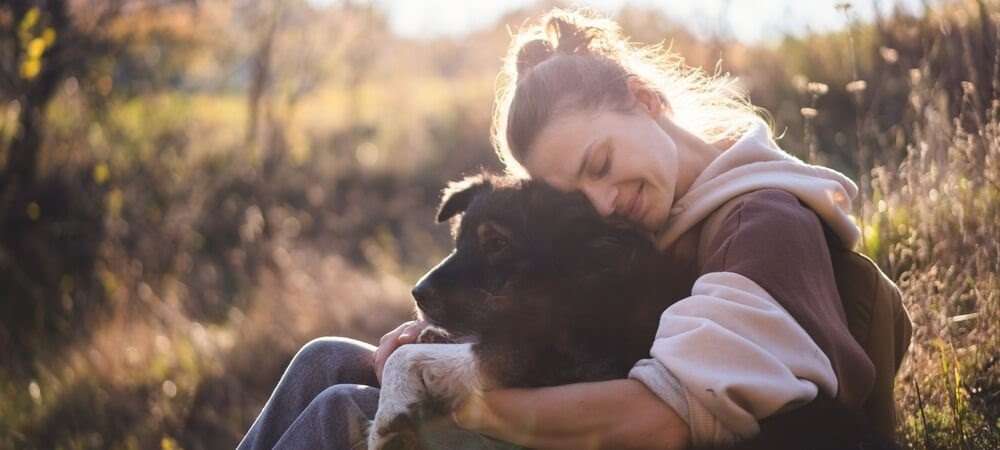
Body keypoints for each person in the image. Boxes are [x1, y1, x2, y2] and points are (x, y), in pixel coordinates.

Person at [239, 8, 888, 450]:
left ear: (645, 98)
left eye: (601, 164)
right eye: (577, 198)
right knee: (325, 358)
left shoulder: (759, 220)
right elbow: (570, 336)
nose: (604, 204)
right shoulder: (665, 213)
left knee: (339, 414)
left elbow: (659, 418)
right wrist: (453, 344)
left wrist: (447, 389)